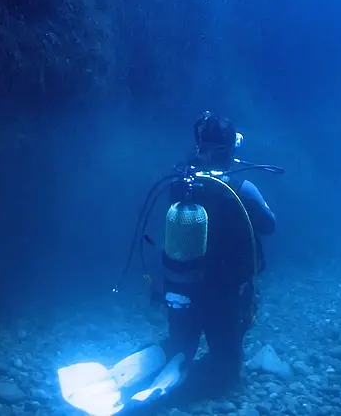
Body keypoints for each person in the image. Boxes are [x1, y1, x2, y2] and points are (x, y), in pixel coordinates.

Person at [104, 113, 278, 413]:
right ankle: (162, 397)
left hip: (180, 291)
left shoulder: (181, 181)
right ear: (230, 148)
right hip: (222, 299)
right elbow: (269, 225)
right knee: (226, 370)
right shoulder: (241, 188)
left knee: (180, 345)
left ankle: (126, 375)